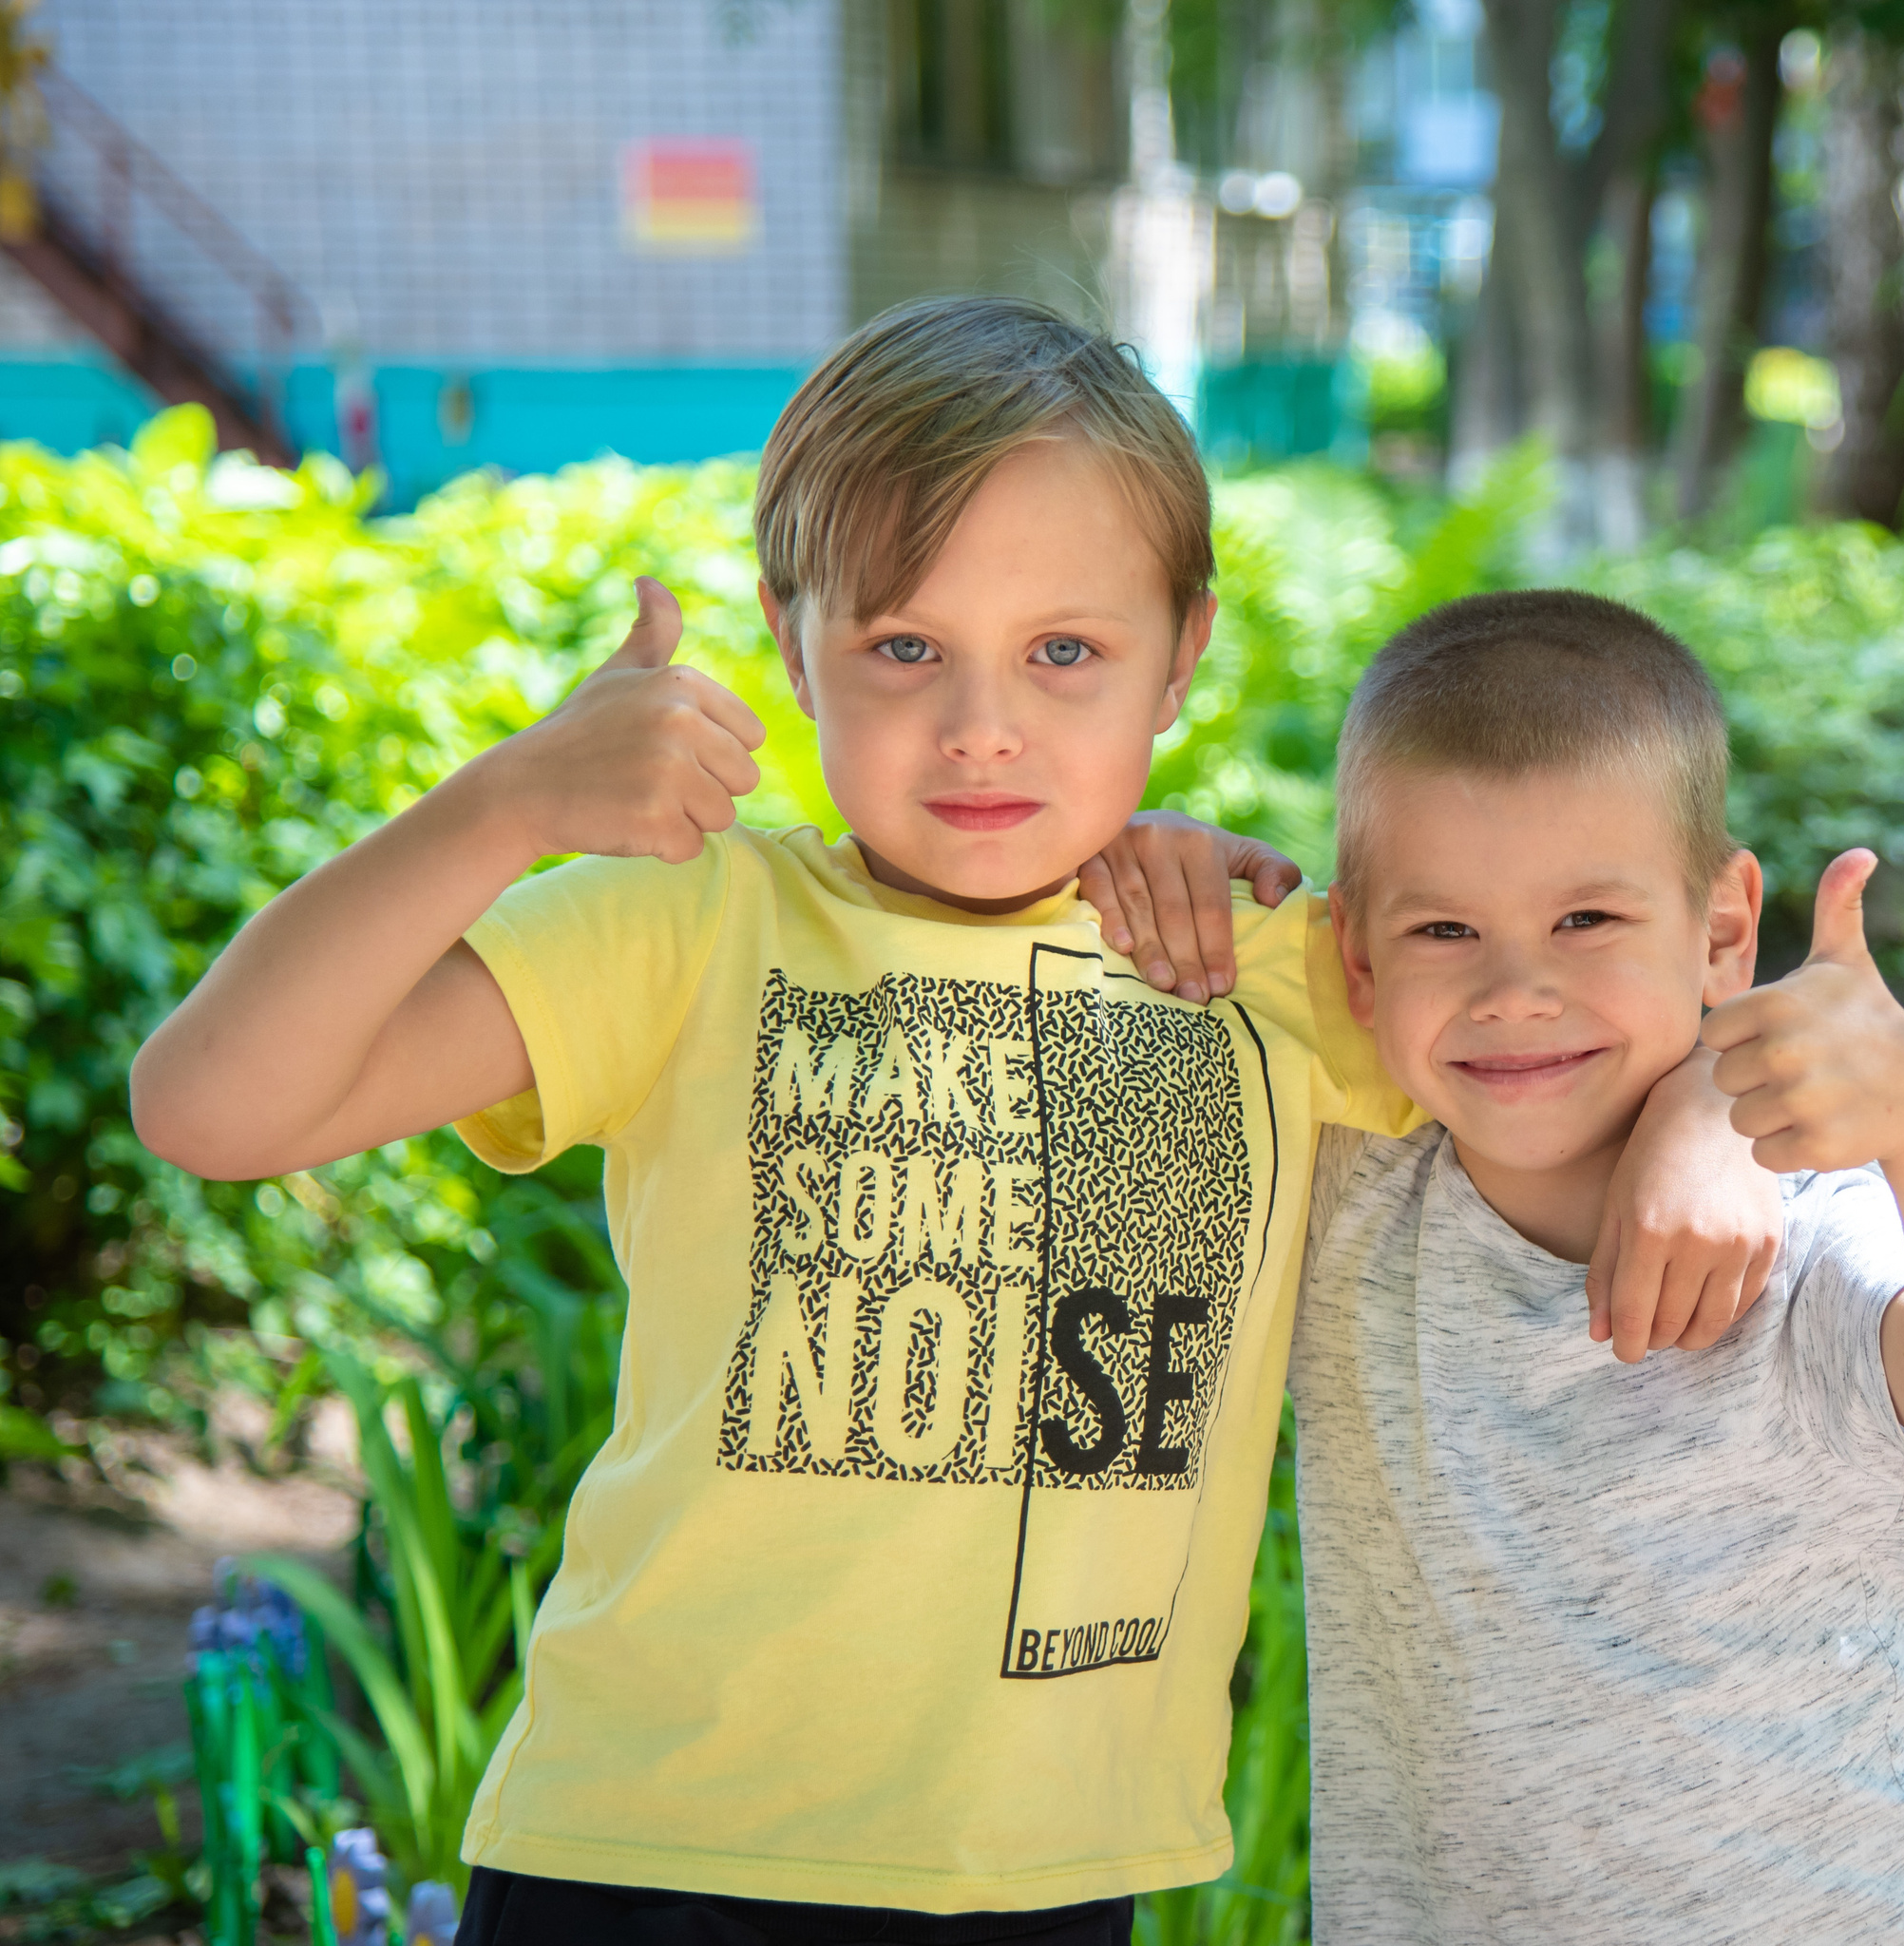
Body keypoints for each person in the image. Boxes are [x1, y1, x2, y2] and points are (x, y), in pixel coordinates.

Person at [129, 300, 1777, 1943]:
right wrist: (503, 807)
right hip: (646, 1850)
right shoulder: (687, 931)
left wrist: (1703, 1105)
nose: (983, 725)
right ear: (793, 643)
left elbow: (1580, 1004)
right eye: (906, 648)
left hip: (1043, 1877)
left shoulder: (1271, 967)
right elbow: (210, 1103)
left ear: (1181, 653)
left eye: (1065, 653)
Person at [1285, 589, 1904, 1943]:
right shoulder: (1350, 1199)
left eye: (1589, 921)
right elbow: (1158, 955)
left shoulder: (1803, 1216)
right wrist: (1180, 858)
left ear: (1727, 932)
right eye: (1443, 932)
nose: (1514, 990)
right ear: (1360, 963)